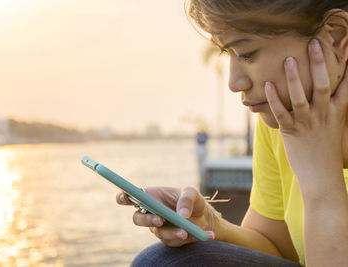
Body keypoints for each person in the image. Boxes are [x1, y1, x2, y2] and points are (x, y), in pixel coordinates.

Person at [116, 0, 348, 266]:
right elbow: (276, 248)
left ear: (337, 36)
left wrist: (321, 180)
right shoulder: (284, 122)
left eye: (247, 53)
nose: (235, 83)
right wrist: (211, 224)